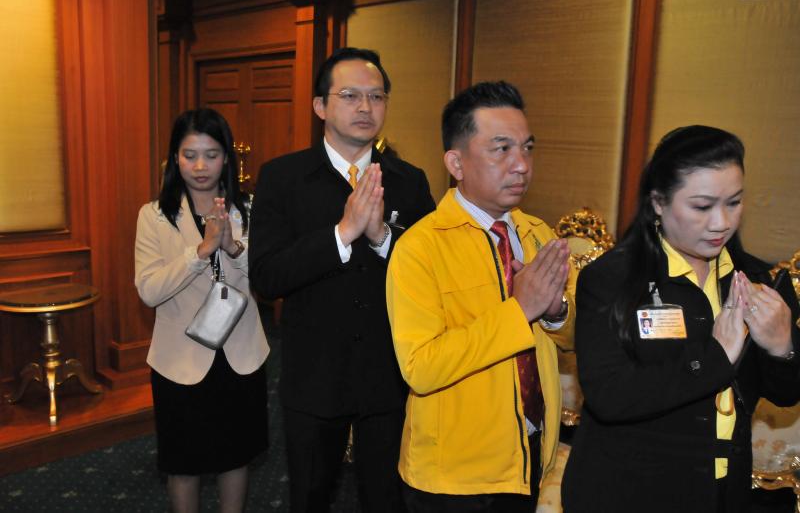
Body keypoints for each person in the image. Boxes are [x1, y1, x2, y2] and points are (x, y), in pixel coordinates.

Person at [561, 125, 800, 513]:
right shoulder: (612, 280)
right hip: (630, 490)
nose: (721, 222)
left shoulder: (758, 281)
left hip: (724, 491)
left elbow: (786, 393)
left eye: (734, 202)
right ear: (658, 202)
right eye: (702, 207)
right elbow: (610, 396)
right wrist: (714, 358)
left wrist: (782, 346)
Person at [248, 47, 435, 512]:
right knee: (310, 496)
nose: (365, 107)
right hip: (314, 375)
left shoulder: (410, 181)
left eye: (377, 96)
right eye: (350, 95)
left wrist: (382, 237)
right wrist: (342, 234)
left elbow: (432, 275)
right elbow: (267, 277)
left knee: (386, 499)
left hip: (388, 375)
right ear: (320, 106)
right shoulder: (283, 177)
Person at [386, 81, 576, 511]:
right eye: (501, 149)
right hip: (454, 476)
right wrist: (519, 311)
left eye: (527, 149)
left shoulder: (537, 234)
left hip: (528, 452)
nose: (521, 165)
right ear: (456, 162)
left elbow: (571, 339)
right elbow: (421, 367)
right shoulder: (421, 247)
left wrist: (556, 311)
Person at [135, 108, 269, 513]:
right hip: (180, 360)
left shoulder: (250, 209)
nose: (200, 166)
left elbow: (267, 279)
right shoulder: (154, 216)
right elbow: (149, 290)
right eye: (189, 155)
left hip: (241, 354)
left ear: (226, 157)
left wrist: (233, 248)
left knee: (236, 457)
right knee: (183, 463)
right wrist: (200, 252)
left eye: (211, 155)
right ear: (175, 158)